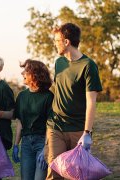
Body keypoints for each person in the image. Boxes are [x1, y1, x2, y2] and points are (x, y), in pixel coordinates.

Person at [44, 23, 102, 179]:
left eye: (57, 40)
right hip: (56, 126)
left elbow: (91, 102)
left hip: (78, 128)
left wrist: (87, 133)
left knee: (76, 174)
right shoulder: (59, 63)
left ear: (66, 42)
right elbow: (57, 89)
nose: (55, 43)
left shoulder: (88, 66)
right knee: (54, 172)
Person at [12, 59, 53, 180]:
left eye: (26, 71)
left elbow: (50, 125)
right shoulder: (22, 96)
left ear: (35, 74)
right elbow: (20, 121)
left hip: (42, 142)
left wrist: (46, 148)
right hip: (26, 144)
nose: (22, 73)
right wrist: (16, 145)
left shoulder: (48, 96)